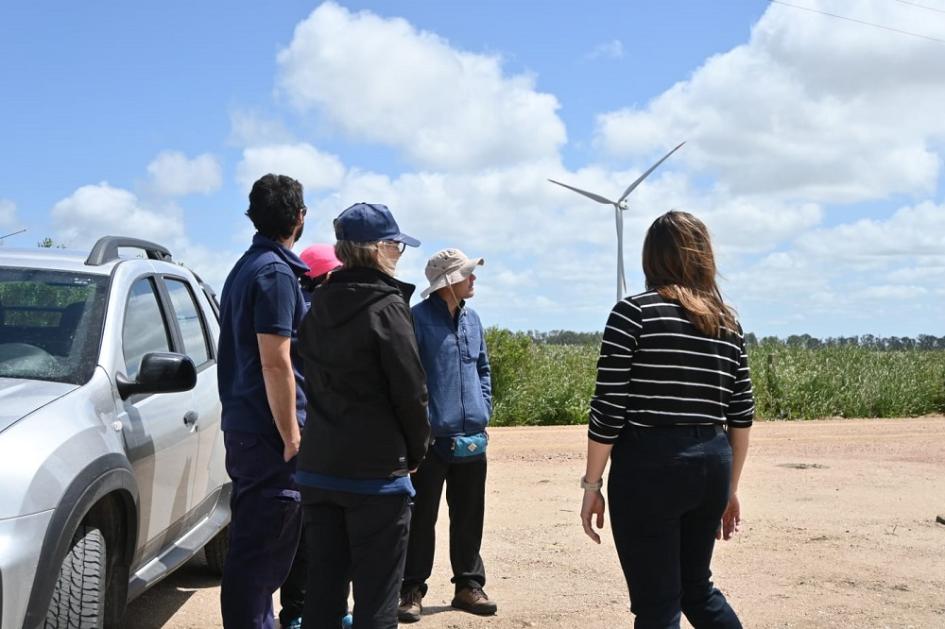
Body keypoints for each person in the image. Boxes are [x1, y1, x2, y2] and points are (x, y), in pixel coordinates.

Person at [580, 210, 754, 629]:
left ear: (651, 258)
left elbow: (608, 410)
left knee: (657, 605)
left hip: (650, 466)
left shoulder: (632, 314)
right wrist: (729, 488)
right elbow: (741, 416)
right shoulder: (727, 322)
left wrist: (592, 485)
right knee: (697, 589)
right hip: (712, 463)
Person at [295, 202, 431, 629]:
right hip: (375, 476)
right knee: (377, 599)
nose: (398, 253)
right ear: (375, 250)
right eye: (395, 245)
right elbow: (411, 391)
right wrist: (416, 450)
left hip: (320, 469)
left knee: (322, 593)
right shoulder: (388, 308)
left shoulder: (317, 304)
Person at [217, 174, 308, 629]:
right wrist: (291, 433)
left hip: (248, 427)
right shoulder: (275, 274)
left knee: (254, 550)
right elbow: (276, 363)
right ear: (299, 217)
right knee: (260, 557)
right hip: (268, 434)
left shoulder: (248, 266)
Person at [399, 249, 497, 622]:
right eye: (467, 274)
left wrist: (482, 407)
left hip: (472, 437)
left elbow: (483, 369)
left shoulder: (474, 321)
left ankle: (468, 586)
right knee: (421, 518)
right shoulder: (416, 320)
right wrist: (421, 427)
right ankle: (411, 589)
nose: (473, 279)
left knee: (470, 516)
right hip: (431, 442)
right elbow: (409, 380)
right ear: (448, 282)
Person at [278, 243, 344, 629]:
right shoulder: (309, 313)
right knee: (308, 529)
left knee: (316, 527)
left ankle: (309, 610)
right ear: (321, 278)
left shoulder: (313, 309)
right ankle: (298, 611)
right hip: (312, 430)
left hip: (320, 429)